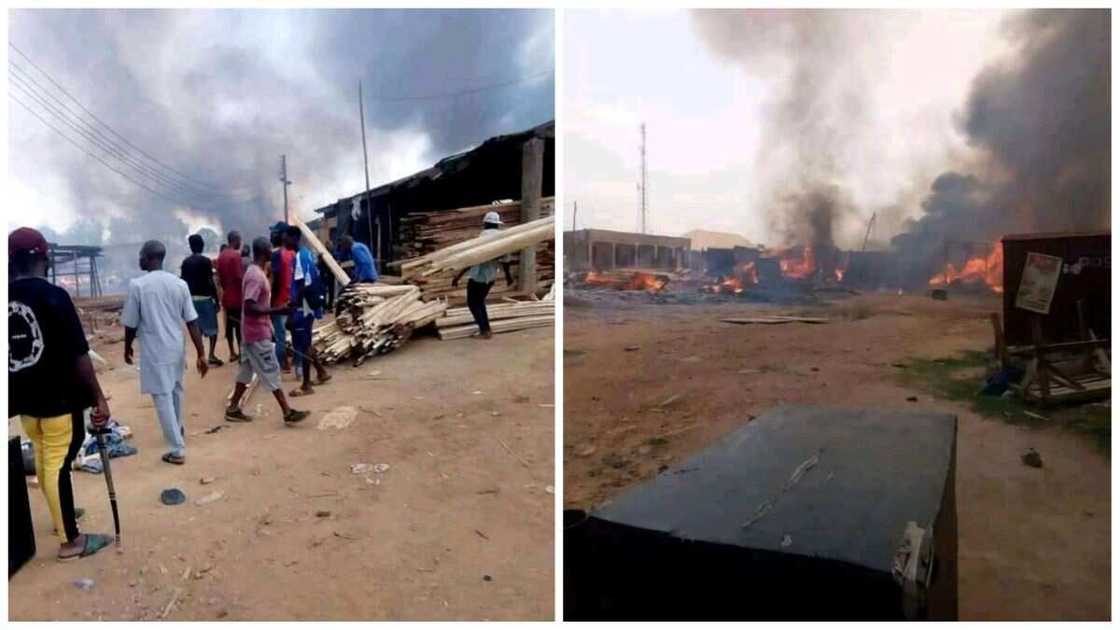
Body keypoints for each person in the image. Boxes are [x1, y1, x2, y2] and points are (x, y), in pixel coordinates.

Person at [8, 227, 115, 560]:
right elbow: (78, 354)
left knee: (44, 457)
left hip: (25, 402)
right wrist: (98, 397)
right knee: (56, 464)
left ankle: (61, 516)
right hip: (57, 399)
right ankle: (70, 540)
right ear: (43, 257)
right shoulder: (53, 296)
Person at [122, 240, 209, 465]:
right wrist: (201, 352)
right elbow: (192, 321)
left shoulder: (138, 286)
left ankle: (177, 449)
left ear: (150, 257)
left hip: (155, 350)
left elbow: (130, 324)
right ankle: (177, 430)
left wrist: (127, 346)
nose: (139, 259)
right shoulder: (179, 284)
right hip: (176, 348)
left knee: (162, 397)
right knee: (176, 391)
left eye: (141, 255)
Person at [225, 237, 310, 425]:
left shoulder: (256, 272)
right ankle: (287, 412)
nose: (272, 250)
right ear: (264, 251)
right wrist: (277, 310)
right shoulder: (255, 276)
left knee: (246, 371)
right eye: (270, 248)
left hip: (252, 332)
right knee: (271, 370)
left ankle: (232, 409)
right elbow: (249, 306)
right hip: (256, 334)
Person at [284, 225, 331, 395]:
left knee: (302, 345)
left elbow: (304, 284)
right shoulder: (306, 254)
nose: (283, 240)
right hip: (308, 307)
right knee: (307, 341)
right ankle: (321, 372)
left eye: (286, 237)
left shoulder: (300, 257)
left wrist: (293, 306)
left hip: (302, 308)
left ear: (294, 237)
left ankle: (306, 385)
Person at [452, 211, 514, 339]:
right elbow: (506, 261)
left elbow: (471, 259)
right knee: (479, 302)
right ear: (497, 224)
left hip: (478, 276)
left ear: (485, 223)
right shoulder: (503, 238)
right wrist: (508, 277)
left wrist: (458, 276)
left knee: (472, 303)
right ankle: (486, 328)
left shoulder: (482, 236)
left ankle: (484, 330)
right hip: (490, 277)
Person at [180, 233, 223, 366]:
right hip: (205, 299)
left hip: (191, 300)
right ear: (202, 245)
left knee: (196, 328)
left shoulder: (185, 262)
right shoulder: (205, 261)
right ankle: (211, 354)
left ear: (191, 246)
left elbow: (183, 282)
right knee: (213, 329)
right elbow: (210, 281)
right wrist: (216, 299)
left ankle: (201, 353)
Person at [216, 230, 245, 362]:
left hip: (227, 296)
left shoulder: (221, 256)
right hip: (237, 297)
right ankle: (241, 353)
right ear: (235, 240)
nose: (240, 243)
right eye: (239, 240)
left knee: (229, 326)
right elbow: (240, 278)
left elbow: (220, 279)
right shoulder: (235, 256)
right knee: (239, 327)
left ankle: (232, 352)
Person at [269, 224, 295, 372]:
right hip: (292, 299)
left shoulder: (276, 255)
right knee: (292, 332)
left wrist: (271, 302)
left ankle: (283, 364)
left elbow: (276, 279)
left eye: (273, 233)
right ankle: (296, 363)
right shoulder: (292, 253)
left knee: (280, 335)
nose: (271, 236)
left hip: (280, 301)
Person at [319, 239, 336, 310]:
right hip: (324, 274)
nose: (329, 246)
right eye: (328, 245)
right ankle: (324, 306)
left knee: (331, 291)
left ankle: (330, 306)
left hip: (331, 274)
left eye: (330, 245)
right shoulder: (322, 255)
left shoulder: (333, 254)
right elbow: (319, 265)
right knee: (323, 292)